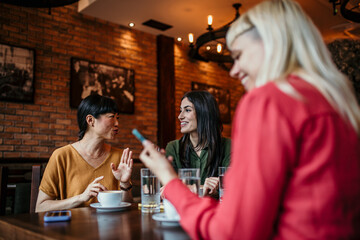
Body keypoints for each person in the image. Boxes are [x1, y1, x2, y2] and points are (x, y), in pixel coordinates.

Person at [139, 0, 360, 239]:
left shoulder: (269, 100)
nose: (233, 70)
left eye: (239, 55)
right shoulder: (338, 101)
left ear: (272, 43)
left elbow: (233, 232)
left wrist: (170, 181)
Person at [36, 94, 133, 212]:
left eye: (118, 118)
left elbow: (128, 208)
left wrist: (125, 184)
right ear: (90, 120)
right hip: (72, 228)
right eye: (112, 117)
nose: (117, 123)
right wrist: (81, 198)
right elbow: (40, 207)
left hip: (112, 227)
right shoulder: (61, 156)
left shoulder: (120, 157)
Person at [165, 91, 231, 197]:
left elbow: (233, 188)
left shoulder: (229, 146)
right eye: (180, 111)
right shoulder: (173, 147)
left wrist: (183, 188)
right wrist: (202, 188)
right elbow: (162, 189)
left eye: (187, 110)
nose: (180, 116)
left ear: (204, 112)